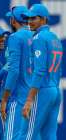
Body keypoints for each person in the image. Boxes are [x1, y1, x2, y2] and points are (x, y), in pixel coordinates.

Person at [19, 4, 63, 140]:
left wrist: (29, 99)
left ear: (43, 19)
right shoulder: (55, 38)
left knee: (26, 135)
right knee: (49, 136)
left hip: (42, 91)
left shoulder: (38, 38)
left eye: (33, 18)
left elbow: (40, 70)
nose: (29, 22)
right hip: (55, 90)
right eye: (28, 19)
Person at [0, 6, 33, 140]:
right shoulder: (36, 36)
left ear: (13, 20)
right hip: (34, 97)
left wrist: (4, 99)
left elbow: (13, 71)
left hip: (19, 98)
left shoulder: (15, 37)